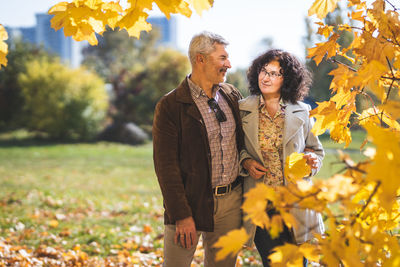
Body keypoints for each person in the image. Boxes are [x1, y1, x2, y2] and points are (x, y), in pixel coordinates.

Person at [152, 31, 244, 267]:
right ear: (200, 59)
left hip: (230, 202)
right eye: (222, 58)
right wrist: (181, 215)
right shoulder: (171, 105)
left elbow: (244, 143)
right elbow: (166, 167)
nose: (228, 64)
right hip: (189, 203)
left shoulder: (232, 95)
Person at [239, 49, 325, 267]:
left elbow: (316, 151)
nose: (266, 77)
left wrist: (312, 162)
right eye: (264, 71)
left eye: (275, 73)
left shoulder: (303, 112)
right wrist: (246, 162)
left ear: (287, 79)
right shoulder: (242, 109)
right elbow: (234, 149)